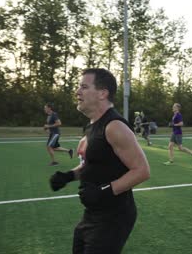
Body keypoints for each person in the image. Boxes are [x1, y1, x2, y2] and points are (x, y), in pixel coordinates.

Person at [49, 68, 150, 254]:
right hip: (92, 213)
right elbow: (92, 164)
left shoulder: (115, 126)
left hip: (114, 216)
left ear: (103, 93)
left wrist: (103, 191)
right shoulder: (92, 126)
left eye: (84, 87)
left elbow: (142, 170)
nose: (78, 92)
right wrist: (69, 176)